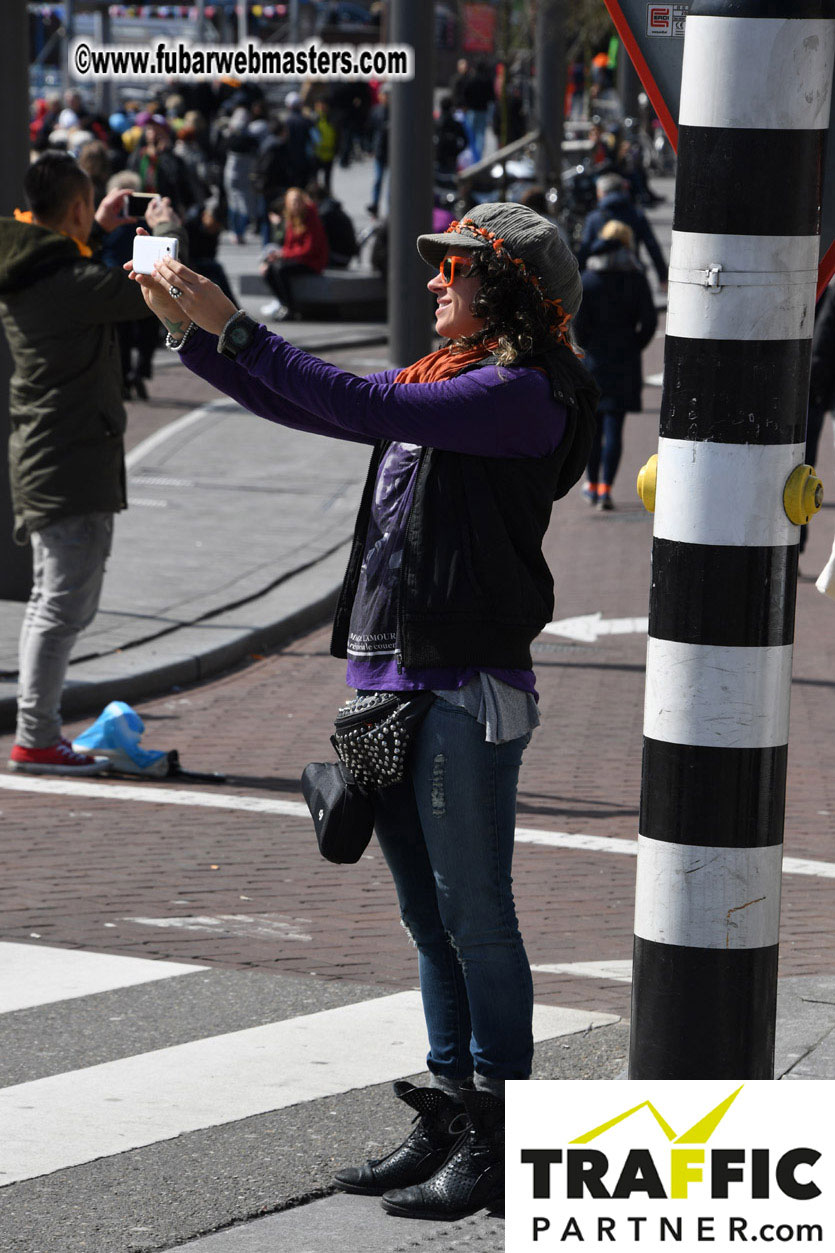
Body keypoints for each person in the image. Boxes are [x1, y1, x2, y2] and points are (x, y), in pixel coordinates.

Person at [127, 200, 598, 1220]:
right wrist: (188, 329)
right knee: (427, 924)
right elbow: (327, 407)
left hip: (463, 678)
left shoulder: (522, 394)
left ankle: (500, 1133)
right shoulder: (447, 383)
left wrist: (236, 326)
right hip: (390, 674)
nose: (434, 282)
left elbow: (352, 400)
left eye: (454, 270)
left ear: (505, 287)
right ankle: (447, 1114)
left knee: (476, 916)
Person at [0, 152, 184, 775]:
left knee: (52, 601)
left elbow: (82, 269)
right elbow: (148, 295)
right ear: (77, 208)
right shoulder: (64, 284)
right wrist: (160, 232)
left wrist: (99, 231)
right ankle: (37, 738)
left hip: (56, 455)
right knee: (62, 606)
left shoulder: (34, 265)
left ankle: (38, 732)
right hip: (69, 459)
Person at [574, 220, 657, 510]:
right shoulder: (635, 278)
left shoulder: (589, 280)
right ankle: (607, 487)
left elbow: (579, 326)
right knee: (615, 428)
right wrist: (635, 344)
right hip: (625, 360)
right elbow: (649, 321)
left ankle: (592, 484)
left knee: (592, 429)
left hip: (594, 361)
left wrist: (586, 347)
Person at [577, 173, 668, 289]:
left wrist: (579, 278)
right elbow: (652, 246)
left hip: (600, 278)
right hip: (630, 275)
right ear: (623, 190)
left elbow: (584, 251)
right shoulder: (636, 215)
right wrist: (662, 276)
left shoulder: (594, 218)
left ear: (601, 192)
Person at [259, 187, 329, 320]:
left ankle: (291, 308)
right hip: (297, 258)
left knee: (281, 269)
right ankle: (284, 303)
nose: (295, 205)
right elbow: (288, 244)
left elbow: (309, 249)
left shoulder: (311, 217)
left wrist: (284, 255)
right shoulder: (291, 217)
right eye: (292, 202)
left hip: (312, 261)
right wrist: (273, 258)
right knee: (269, 270)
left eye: (297, 201)